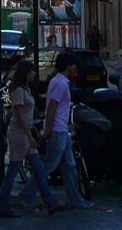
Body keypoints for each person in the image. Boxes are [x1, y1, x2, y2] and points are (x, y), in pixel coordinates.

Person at [19, 52, 92, 211]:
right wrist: (49, 130)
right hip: (58, 130)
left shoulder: (58, 81)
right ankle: (26, 194)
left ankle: (76, 200)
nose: (75, 67)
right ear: (67, 65)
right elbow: (52, 107)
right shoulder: (61, 84)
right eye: (73, 64)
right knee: (49, 166)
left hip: (61, 130)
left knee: (69, 166)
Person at [0, 60, 60, 218]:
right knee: (13, 170)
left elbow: (26, 115)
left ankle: (51, 203)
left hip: (25, 133)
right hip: (19, 135)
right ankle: (3, 205)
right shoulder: (19, 91)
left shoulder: (26, 89)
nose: (34, 74)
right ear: (26, 72)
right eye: (32, 71)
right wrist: (30, 136)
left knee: (39, 170)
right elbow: (19, 115)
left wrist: (35, 133)